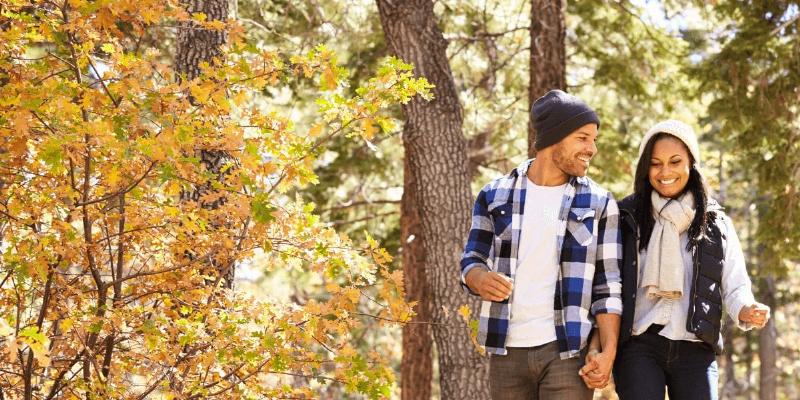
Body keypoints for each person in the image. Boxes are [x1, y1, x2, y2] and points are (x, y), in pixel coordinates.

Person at [580, 120, 771, 398]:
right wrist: (598, 344)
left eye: (675, 161)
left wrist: (746, 308)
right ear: (645, 167)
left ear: (690, 163)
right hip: (639, 346)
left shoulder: (715, 223)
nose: (665, 172)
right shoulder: (626, 218)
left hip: (695, 347)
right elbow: (608, 286)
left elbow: (734, 285)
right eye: (655, 163)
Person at [460, 89, 622, 399]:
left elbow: (609, 287)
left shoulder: (600, 202)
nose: (592, 148)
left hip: (568, 350)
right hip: (506, 348)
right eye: (583, 138)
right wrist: (478, 278)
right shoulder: (494, 195)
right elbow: (471, 259)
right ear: (555, 138)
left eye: (594, 140)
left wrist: (608, 351)